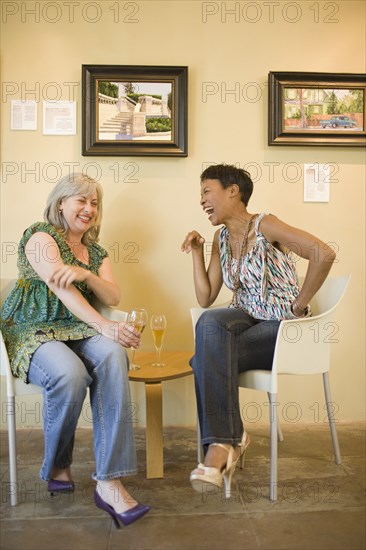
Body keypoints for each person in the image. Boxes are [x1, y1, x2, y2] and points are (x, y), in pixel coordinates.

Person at [0, 173, 150, 527]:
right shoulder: (40, 235)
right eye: (80, 200)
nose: (89, 208)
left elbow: (114, 296)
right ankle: (58, 462)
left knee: (114, 354)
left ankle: (110, 481)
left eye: (94, 202)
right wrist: (107, 326)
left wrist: (87, 276)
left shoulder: (96, 252)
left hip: (79, 329)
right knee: (70, 374)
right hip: (33, 329)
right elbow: (60, 288)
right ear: (61, 204)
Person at [181, 163, 336, 498]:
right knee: (208, 323)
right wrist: (196, 252)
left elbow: (323, 253)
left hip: (281, 327)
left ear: (233, 191)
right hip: (246, 317)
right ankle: (227, 441)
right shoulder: (221, 238)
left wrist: (297, 307)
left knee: (202, 361)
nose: (202, 200)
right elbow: (206, 297)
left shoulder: (266, 225)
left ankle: (224, 444)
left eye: (207, 191)